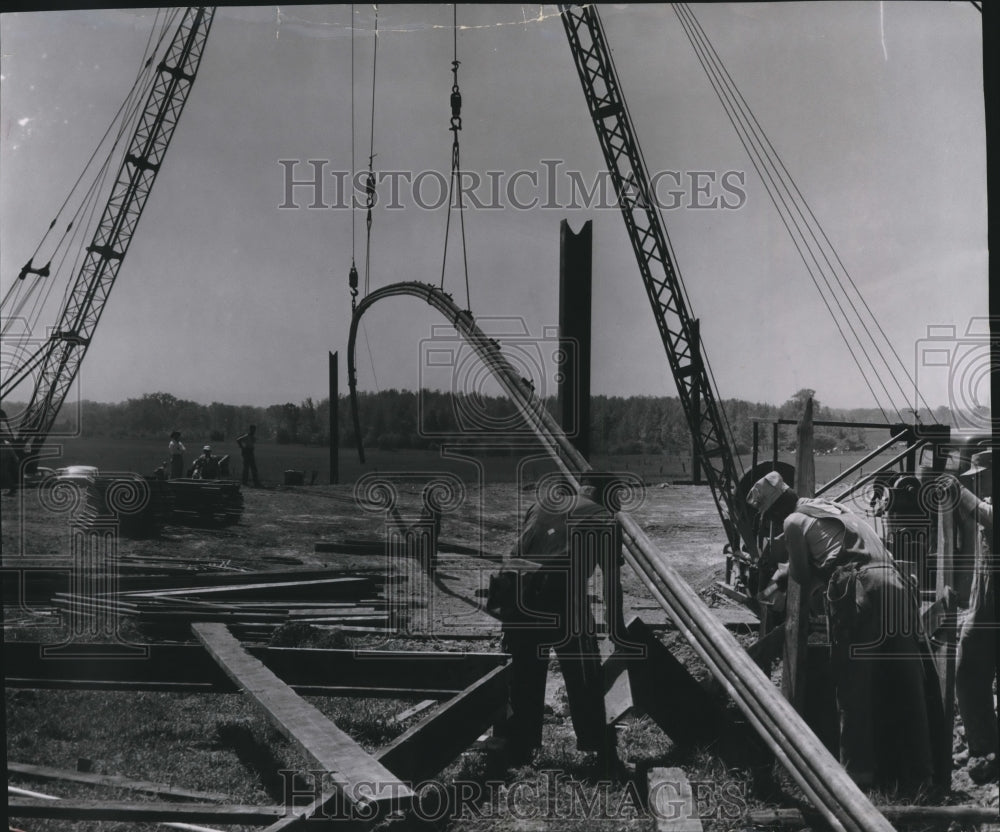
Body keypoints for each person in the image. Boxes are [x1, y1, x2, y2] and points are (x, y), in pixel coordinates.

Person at [747, 470, 946, 795]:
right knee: (907, 682)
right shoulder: (830, 507)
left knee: (853, 685)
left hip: (861, 587)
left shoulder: (793, 522)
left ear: (775, 511)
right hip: (895, 584)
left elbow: (800, 575)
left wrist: (781, 576)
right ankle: (921, 776)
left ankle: (857, 779)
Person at [494, 473, 628, 778]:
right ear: (607, 494)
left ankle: (519, 747)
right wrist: (616, 631)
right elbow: (611, 585)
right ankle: (597, 747)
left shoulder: (542, 505)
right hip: (560, 597)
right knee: (586, 672)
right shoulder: (606, 520)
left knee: (524, 671)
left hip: (515, 593)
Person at [954, 449, 997, 784]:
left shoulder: (987, 506)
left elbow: (989, 516)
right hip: (984, 607)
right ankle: (981, 744)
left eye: (979, 475)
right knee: (967, 670)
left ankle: (989, 752)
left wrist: (957, 490)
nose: (976, 481)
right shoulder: (985, 499)